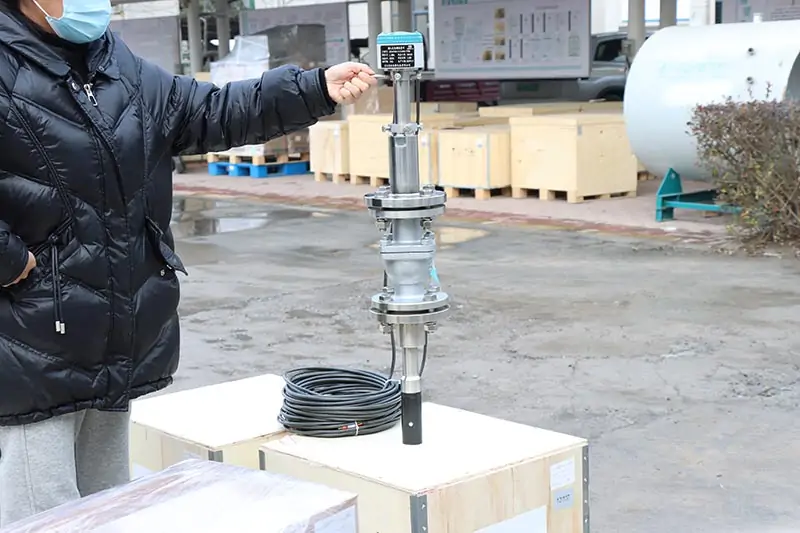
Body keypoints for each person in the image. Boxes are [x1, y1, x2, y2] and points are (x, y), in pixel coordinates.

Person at [0, 0, 376, 525]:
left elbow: (208, 111)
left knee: (108, 506)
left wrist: (313, 89)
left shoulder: (114, 63)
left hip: (113, 330)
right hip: (29, 335)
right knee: (42, 512)